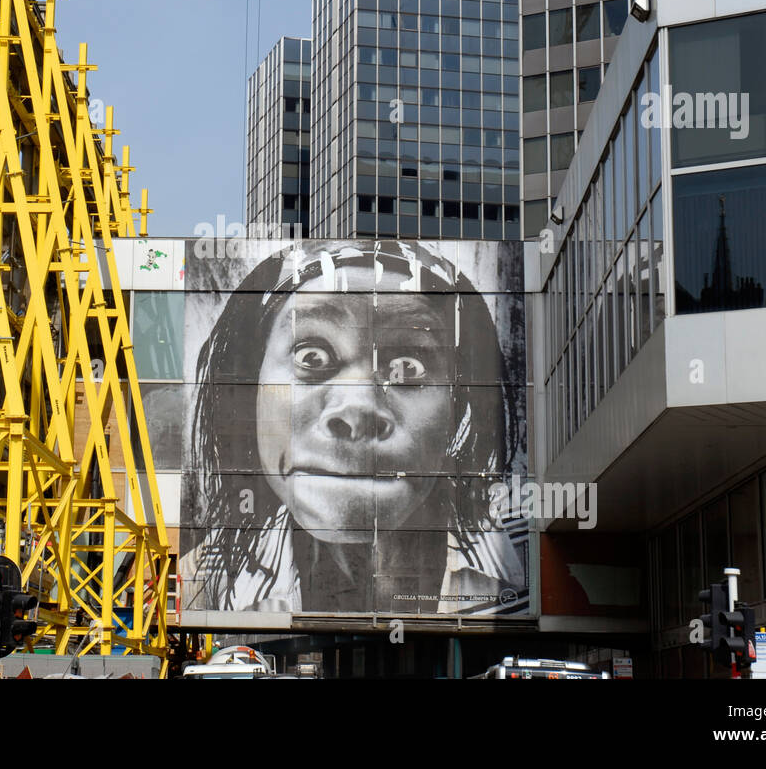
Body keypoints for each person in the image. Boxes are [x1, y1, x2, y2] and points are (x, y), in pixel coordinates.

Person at [180, 240, 526, 615]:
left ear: (459, 406)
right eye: (311, 356)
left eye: (408, 367)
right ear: (253, 388)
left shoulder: (526, 561)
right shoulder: (202, 577)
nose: (358, 408)